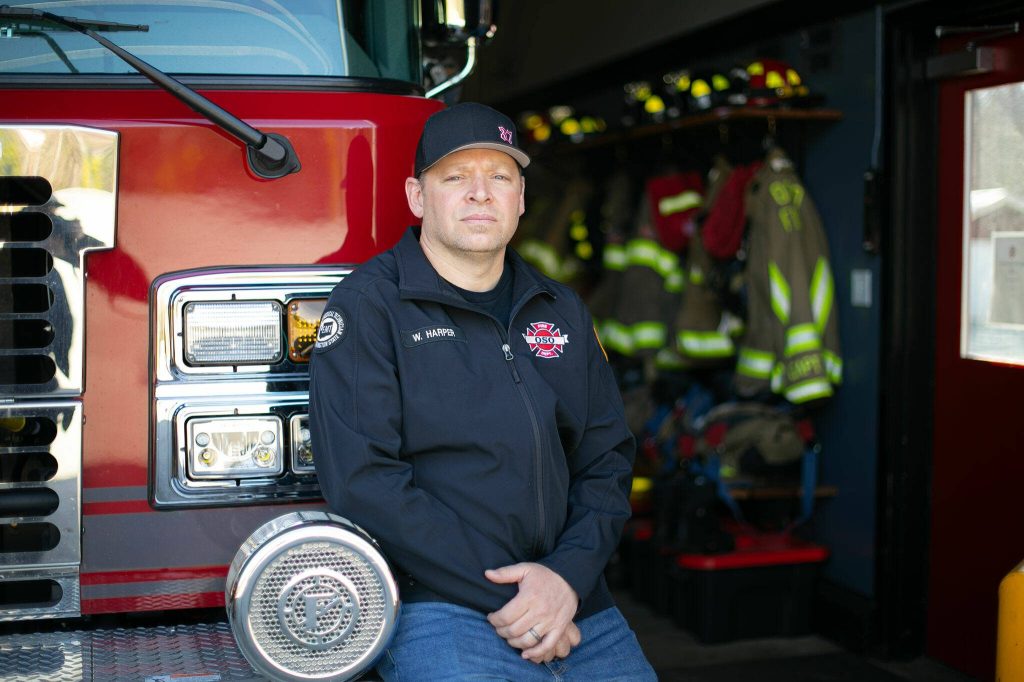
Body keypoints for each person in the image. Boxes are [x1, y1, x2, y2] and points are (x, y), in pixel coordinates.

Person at [309, 102, 656, 681]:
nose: (480, 193)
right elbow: (363, 481)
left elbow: (607, 459)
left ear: (520, 198)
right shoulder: (370, 306)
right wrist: (518, 593)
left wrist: (566, 577)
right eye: (455, 177)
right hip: (441, 601)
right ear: (418, 198)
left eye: (499, 177)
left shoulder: (560, 308)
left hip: (575, 600)